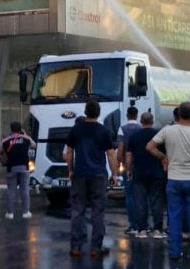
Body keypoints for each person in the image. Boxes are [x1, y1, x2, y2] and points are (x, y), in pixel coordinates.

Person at [149, 101, 190, 260]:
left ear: (178, 114)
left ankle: (175, 252)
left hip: (174, 179)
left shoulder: (167, 131)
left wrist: (163, 157)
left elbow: (149, 147)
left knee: (174, 217)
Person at [64, 99, 119, 258]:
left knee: (77, 210)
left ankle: (76, 247)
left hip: (80, 174)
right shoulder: (103, 131)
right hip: (98, 175)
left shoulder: (76, 130)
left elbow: (69, 152)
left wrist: (70, 170)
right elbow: (111, 154)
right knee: (98, 211)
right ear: (98, 113)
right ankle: (96, 247)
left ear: (85, 112)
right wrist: (114, 173)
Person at [127, 112, 166, 238]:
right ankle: (158, 230)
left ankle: (142, 229)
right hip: (156, 172)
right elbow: (164, 154)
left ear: (141, 121)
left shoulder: (134, 136)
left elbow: (129, 155)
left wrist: (129, 169)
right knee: (157, 201)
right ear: (152, 121)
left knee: (140, 202)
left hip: (139, 172)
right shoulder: (158, 135)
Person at [0, 122, 34, 219]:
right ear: (20, 129)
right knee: (25, 190)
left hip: (11, 168)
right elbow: (34, 145)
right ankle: (26, 212)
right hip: (24, 167)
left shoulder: (6, 140)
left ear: (11, 129)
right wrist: (24, 134)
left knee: (11, 190)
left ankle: (10, 213)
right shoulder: (26, 138)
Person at [116, 106, 141, 235]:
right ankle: (143, 224)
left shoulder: (122, 129)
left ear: (127, 115)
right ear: (137, 115)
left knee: (130, 195)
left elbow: (120, 148)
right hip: (141, 167)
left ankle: (133, 224)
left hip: (128, 167)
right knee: (142, 196)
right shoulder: (141, 128)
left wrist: (119, 163)